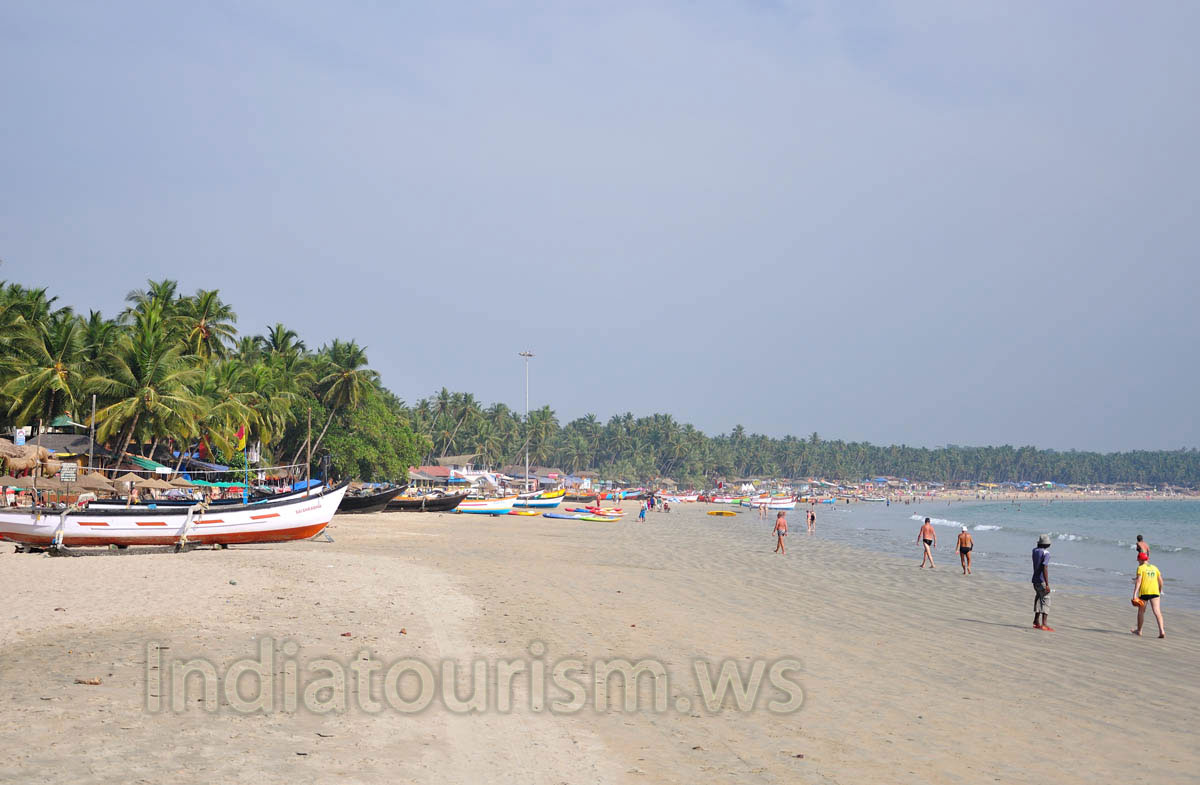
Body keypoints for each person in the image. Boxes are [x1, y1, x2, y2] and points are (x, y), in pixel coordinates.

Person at [1131, 552, 1165, 638]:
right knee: (1157, 611)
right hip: (1155, 592)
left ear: (1140, 560)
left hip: (1144, 592)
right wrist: (1160, 590)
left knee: (1141, 611)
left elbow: (1139, 581)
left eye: (1138, 560)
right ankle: (1161, 631)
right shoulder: (1155, 567)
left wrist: (1134, 594)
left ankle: (1139, 631)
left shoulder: (1140, 568)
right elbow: (1161, 581)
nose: (1138, 562)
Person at [1032, 534, 1053, 631]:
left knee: (1038, 598)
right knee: (1046, 599)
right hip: (1041, 580)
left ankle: (1036, 621)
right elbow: (1045, 567)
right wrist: (1047, 584)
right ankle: (1044, 624)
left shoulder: (1034, 551)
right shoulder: (1046, 553)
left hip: (1035, 580)